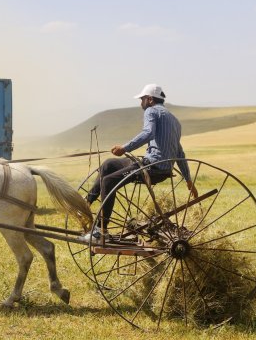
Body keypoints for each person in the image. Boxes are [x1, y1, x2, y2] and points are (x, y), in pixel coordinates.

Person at [82, 83, 198, 241]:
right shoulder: (175, 121)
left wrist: (125, 148)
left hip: (152, 167)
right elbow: (179, 152)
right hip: (160, 168)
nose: (140, 103)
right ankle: (86, 203)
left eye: (142, 99)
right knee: (109, 164)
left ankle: (101, 231)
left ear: (150, 99)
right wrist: (188, 179)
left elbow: (148, 133)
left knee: (109, 181)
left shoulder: (151, 111)